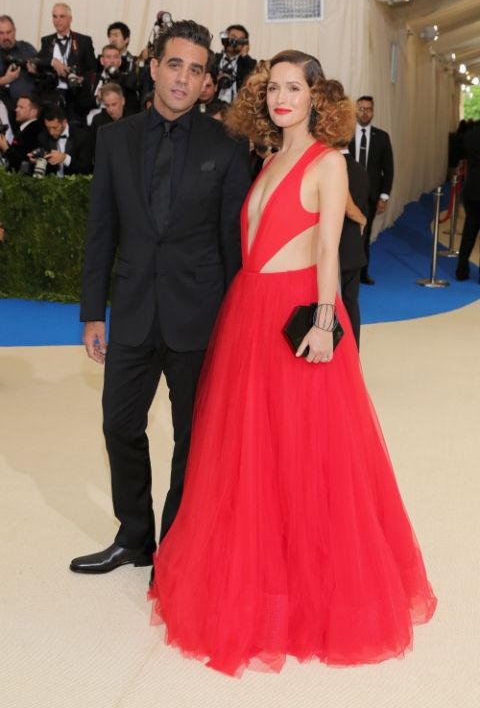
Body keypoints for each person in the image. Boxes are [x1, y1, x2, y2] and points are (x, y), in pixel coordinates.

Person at [148, 50, 437, 677]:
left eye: (293, 88)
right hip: (247, 313)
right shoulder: (267, 159)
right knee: (252, 451)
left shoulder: (327, 161)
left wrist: (328, 322)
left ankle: (310, 592)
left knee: (306, 453)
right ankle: (260, 577)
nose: (281, 98)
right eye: (272, 88)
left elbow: (330, 249)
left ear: (316, 97)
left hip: (296, 317)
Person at [70, 20, 251, 574]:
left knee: (193, 439)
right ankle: (135, 536)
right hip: (132, 310)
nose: (183, 78)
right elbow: (102, 230)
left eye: (196, 70)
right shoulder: (115, 139)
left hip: (200, 316)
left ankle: (177, 544)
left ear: (205, 82)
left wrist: (237, 322)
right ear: (153, 68)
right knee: (119, 425)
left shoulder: (228, 145)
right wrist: (92, 313)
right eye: (175, 64)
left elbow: (233, 244)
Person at [348, 96, 394, 284]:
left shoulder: (382, 137)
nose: (365, 113)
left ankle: (362, 273)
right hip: (347, 194)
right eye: (361, 109)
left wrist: (384, 197)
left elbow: (388, 169)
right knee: (347, 235)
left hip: (370, 197)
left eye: (368, 109)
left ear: (373, 112)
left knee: (364, 235)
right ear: (355, 110)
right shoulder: (346, 134)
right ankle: (344, 273)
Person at [337, 139, 369, 347]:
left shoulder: (329, 167)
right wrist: (362, 220)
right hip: (353, 248)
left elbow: (349, 209)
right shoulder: (360, 169)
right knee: (351, 303)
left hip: (334, 251)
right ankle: (353, 351)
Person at [455, 120, 480, 281]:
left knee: (469, 231)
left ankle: (461, 271)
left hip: (471, 188)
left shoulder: (469, 135)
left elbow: (460, 158)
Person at [213, 24, 256, 103]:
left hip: (237, 106)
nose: (235, 42)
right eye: (233, 38)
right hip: (214, 104)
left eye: (240, 40)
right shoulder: (213, 59)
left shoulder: (248, 63)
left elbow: (253, 79)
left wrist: (245, 56)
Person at [0, 93, 43, 172]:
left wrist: (6, 149)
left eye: (21, 107)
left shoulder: (34, 131)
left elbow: (25, 163)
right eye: (17, 106)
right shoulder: (25, 129)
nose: (16, 109)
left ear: (33, 112)